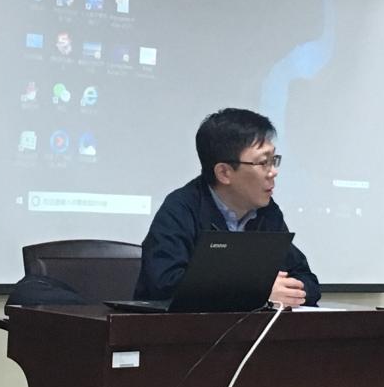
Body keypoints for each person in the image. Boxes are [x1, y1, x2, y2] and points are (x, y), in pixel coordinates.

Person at [135, 107, 320, 308]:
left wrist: (290, 291)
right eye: (263, 162)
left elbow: (307, 280)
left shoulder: (267, 213)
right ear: (224, 172)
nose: (273, 172)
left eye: (274, 160)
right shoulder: (181, 209)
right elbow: (165, 286)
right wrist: (257, 292)